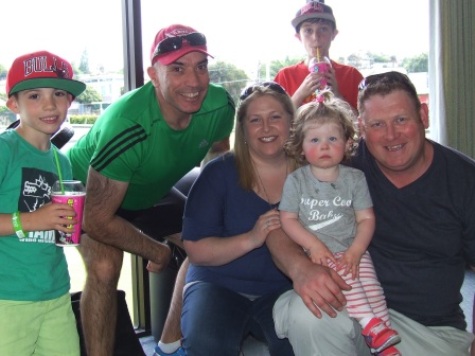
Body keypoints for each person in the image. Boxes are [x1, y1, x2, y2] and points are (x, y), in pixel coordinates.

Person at [271, 71, 475, 355]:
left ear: (424, 116)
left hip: (430, 329)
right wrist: (300, 269)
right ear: (362, 128)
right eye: (377, 124)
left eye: (401, 120)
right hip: (347, 307)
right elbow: (275, 226)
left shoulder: (465, 179)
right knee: (308, 313)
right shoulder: (339, 162)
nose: (391, 135)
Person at [67, 24, 235, 355]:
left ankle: (169, 346)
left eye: (201, 67)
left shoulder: (219, 106)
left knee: (210, 247)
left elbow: (218, 155)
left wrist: (216, 213)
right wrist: (156, 251)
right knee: (104, 268)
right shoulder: (129, 125)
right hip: (89, 197)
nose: (194, 81)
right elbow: (97, 219)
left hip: (147, 189)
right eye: (177, 68)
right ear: (153, 76)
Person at [179, 82, 297, 356]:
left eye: (275, 117)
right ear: (243, 129)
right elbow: (196, 251)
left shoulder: (312, 172)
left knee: (301, 341)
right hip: (218, 284)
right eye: (255, 120)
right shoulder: (218, 173)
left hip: (284, 289)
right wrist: (251, 238)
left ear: (291, 122)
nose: (266, 128)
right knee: (207, 342)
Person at [279, 91, 400, 355]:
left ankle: (384, 339)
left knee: (372, 288)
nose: (324, 146)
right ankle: (370, 325)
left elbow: (366, 218)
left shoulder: (355, 178)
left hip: (354, 250)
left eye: (332, 138)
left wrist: (357, 250)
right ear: (301, 146)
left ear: (347, 143)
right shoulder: (296, 181)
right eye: (315, 139)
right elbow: (287, 219)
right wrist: (313, 245)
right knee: (348, 289)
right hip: (320, 256)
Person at [0, 50, 86, 355]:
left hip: (55, 293)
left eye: (59, 94)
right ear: (13, 104)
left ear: (69, 102)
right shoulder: (4, 150)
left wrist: (69, 223)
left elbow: (56, 227)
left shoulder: (62, 162)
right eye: (35, 95)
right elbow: (36, 220)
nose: (50, 104)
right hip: (8, 299)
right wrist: (32, 220)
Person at [274, 1, 363, 110]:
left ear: (334, 34)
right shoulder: (285, 76)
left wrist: (337, 94)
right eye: (308, 30)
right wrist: (300, 94)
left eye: (323, 29)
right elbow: (276, 121)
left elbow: (362, 124)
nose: (316, 37)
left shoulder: (352, 75)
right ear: (298, 37)